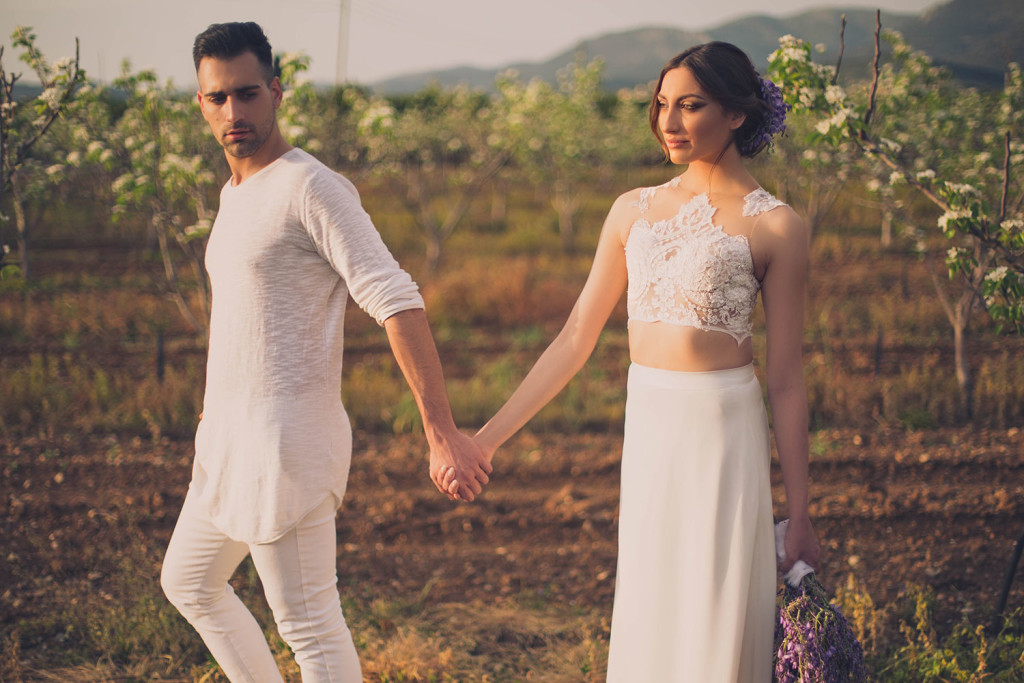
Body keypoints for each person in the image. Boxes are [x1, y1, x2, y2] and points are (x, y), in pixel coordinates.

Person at [453, 41, 821, 681]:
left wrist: (803, 513)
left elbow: (787, 382)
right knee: (654, 601)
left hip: (722, 435)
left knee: (715, 606)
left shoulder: (778, 226)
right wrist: (484, 440)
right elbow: (575, 337)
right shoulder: (633, 209)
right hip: (651, 425)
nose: (668, 122)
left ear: (737, 114)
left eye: (690, 105)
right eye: (661, 105)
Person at [160, 21, 491, 682]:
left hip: (286, 446)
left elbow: (397, 297)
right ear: (200, 103)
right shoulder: (234, 194)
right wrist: (211, 417)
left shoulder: (311, 187)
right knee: (189, 581)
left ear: (277, 91)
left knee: (310, 625)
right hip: (228, 443)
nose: (234, 111)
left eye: (248, 93)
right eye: (217, 97)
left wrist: (441, 431)